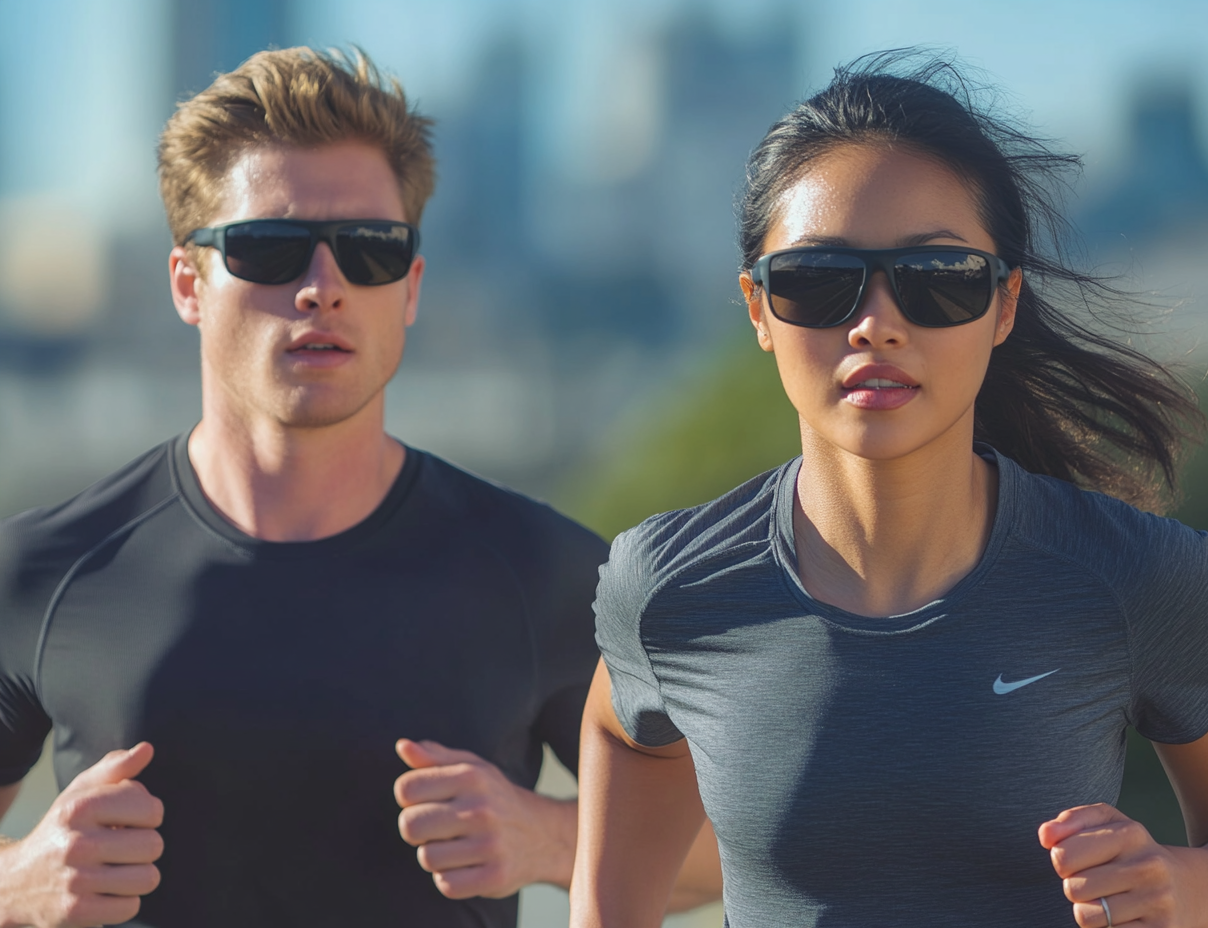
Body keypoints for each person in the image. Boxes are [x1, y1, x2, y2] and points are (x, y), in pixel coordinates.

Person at [0, 47, 719, 928]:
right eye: (270, 249)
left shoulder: (543, 571)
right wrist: (18, 882)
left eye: (369, 252)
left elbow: (731, 847)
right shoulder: (44, 569)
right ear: (188, 282)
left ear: (410, 288)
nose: (323, 288)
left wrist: (549, 840)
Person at [570, 52, 1208, 928]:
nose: (876, 323)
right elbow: (622, 733)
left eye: (938, 281)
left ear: (1002, 305)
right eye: (816, 281)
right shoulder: (668, 588)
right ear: (759, 309)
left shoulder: (1139, 578)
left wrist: (1178, 887)